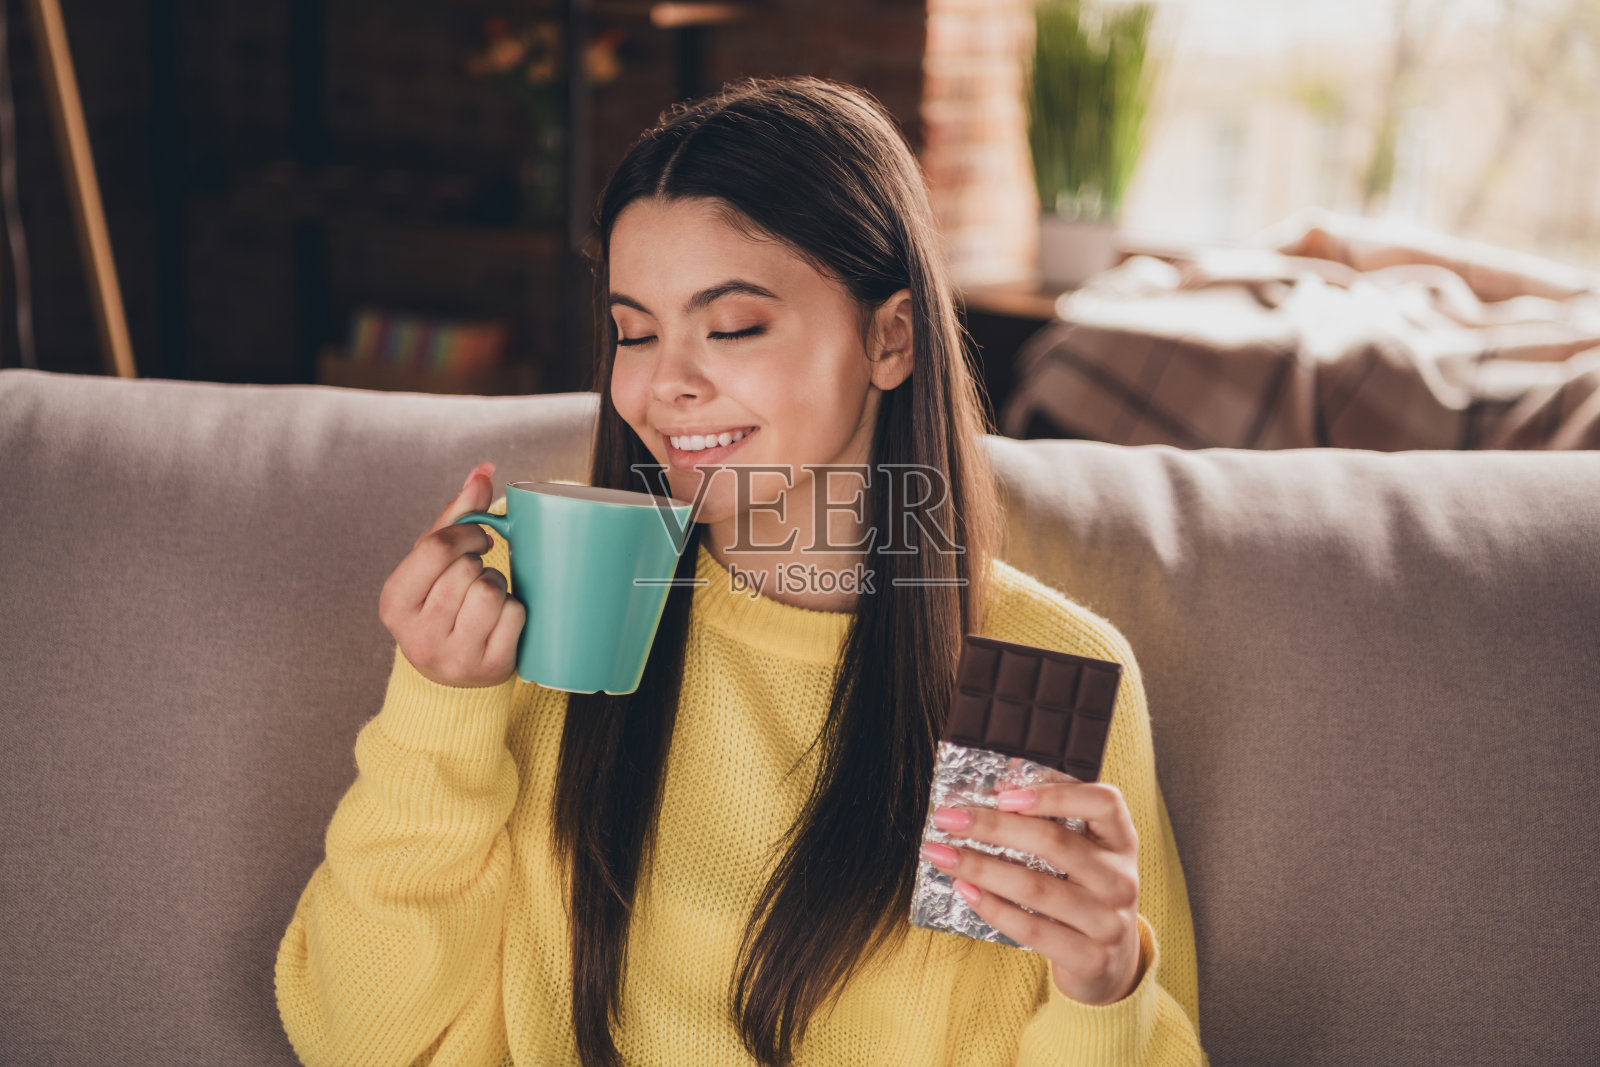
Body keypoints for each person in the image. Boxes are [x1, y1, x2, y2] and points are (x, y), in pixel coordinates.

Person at [275, 74, 1206, 1067]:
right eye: (633, 331)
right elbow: (353, 1038)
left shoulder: (1028, 671)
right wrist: (440, 706)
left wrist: (1099, 986)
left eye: (731, 326)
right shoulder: (552, 607)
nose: (664, 382)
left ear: (889, 337)